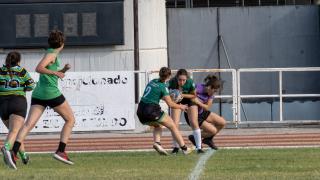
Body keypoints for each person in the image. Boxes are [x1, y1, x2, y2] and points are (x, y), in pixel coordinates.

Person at [12, 30, 75, 166]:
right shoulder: (52, 54)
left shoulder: (51, 53)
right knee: (70, 120)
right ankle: (61, 151)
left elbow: (49, 72)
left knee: (29, 124)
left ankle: (14, 152)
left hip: (39, 94)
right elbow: (39, 68)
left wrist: (63, 70)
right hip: (50, 93)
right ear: (62, 44)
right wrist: (55, 72)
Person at [137, 67, 192, 155]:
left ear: (159, 74)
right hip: (151, 110)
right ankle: (185, 148)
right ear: (169, 76)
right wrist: (181, 106)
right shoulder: (163, 87)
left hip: (140, 110)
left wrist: (169, 97)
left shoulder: (152, 81)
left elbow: (156, 95)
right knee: (173, 126)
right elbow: (170, 104)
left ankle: (157, 143)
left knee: (157, 125)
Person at [0, 51, 35, 169]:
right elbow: (31, 85)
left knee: (15, 132)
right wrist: (23, 88)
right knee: (14, 132)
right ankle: (6, 147)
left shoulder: (1, 70)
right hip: (18, 102)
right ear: (18, 61)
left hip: (3, 104)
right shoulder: (21, 71)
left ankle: (24, 155)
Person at [186, 74, 226, 150]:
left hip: (202, 112)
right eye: (214, 91)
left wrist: (198, 102)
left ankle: (208, 139)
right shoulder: (197, 87)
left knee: (222, 122)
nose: (214, 93)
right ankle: (195, 137)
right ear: (209, 87)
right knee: (213, 130)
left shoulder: (211, 95)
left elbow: (207, 107)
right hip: (194, 115)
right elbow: (188, 97)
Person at [168, 69, 203, 154]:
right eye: (180, 80)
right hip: (177, 101)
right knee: (174, 124)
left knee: (194, 122)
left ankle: (199, 148)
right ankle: (176, 147)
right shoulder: (172, 81)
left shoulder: (190, 82)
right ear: (176, 78)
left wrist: (181, 94)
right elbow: (167, 93)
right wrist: (173, 95)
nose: (182, 82)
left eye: (184, 80)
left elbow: (194, 95)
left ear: (187, 79)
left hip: (189, 100)